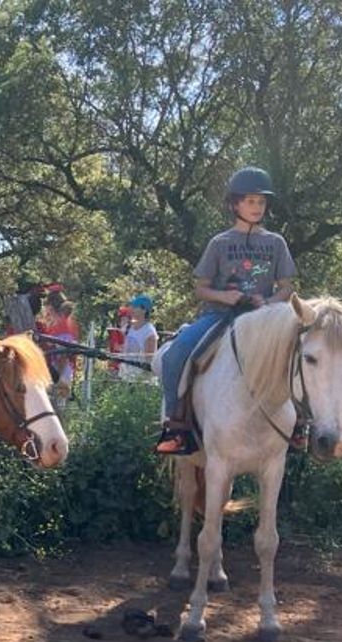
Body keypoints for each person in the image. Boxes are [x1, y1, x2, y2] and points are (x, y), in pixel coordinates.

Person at [155, 166, 297, 454]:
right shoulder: (220, 243)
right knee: (176, 354)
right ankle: (176, 426)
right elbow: (201, 287)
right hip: (218, 316)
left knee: (303, 354)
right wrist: (225, 296)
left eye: (261, 202)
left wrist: (268, 303)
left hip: (263, 321)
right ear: (235, 204)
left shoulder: (276, 243)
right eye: (250, 201)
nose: (256, 207)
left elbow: (287, 288)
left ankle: (300, 426)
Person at [37, 285, 78, 404]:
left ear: (51, 307)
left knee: (58, 407)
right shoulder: (57, 325)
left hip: (61, 374)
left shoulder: (63, 326)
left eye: (46, 306)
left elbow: (63, 356)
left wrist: (56, 378)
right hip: (58, 373)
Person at [121, 293, 159, 382]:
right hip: (126, 377)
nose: (132, 309)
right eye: (132, 306)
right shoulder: (128, 328)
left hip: (142, 382)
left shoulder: (149, 332)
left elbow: (150, 360)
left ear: (144, 310)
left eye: (135, 306)